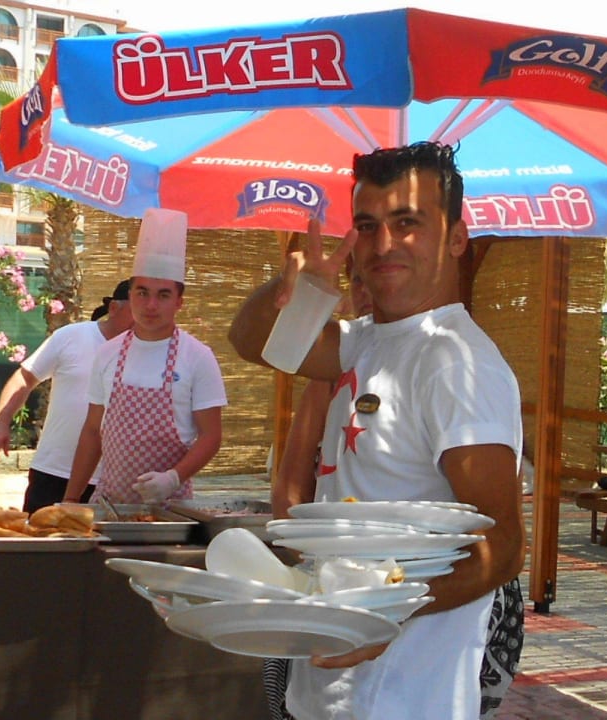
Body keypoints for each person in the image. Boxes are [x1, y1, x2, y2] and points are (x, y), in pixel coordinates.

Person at [229, 142, 525, 720]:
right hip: (328, 684)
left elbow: (504, 545)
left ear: (456, 238)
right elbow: (249, 340)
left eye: (407, 223)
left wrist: (384, 613)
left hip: (406, 694)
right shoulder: (364, 340)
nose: (384, 244)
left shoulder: (458, 363)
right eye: (368, 225)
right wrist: (289, 291)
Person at [64, 208, 227, 505]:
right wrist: (71, 500)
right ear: (131, 295)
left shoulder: (198, 357)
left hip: (171, 511)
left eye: (163, 295)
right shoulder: (107, 353)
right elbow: (92, 432)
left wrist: (173, 478)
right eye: (142, 293)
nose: (151, 305)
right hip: (108, 507)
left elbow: (211, 436)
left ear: (179, 301)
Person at [0, 279, 134, 512]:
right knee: (40, 542)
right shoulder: (71, 336)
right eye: (138, 307)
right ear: (114, 308)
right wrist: (0, 421)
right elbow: (25, 378)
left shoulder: (152, 352)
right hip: (55, 471)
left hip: (118, 481)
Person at [272, 267, 372, 519]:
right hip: (330, 545)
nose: (367, 291)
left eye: (379, 276)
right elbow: (289, 492)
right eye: (359, 279)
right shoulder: (331, 374)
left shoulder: (437, 365)